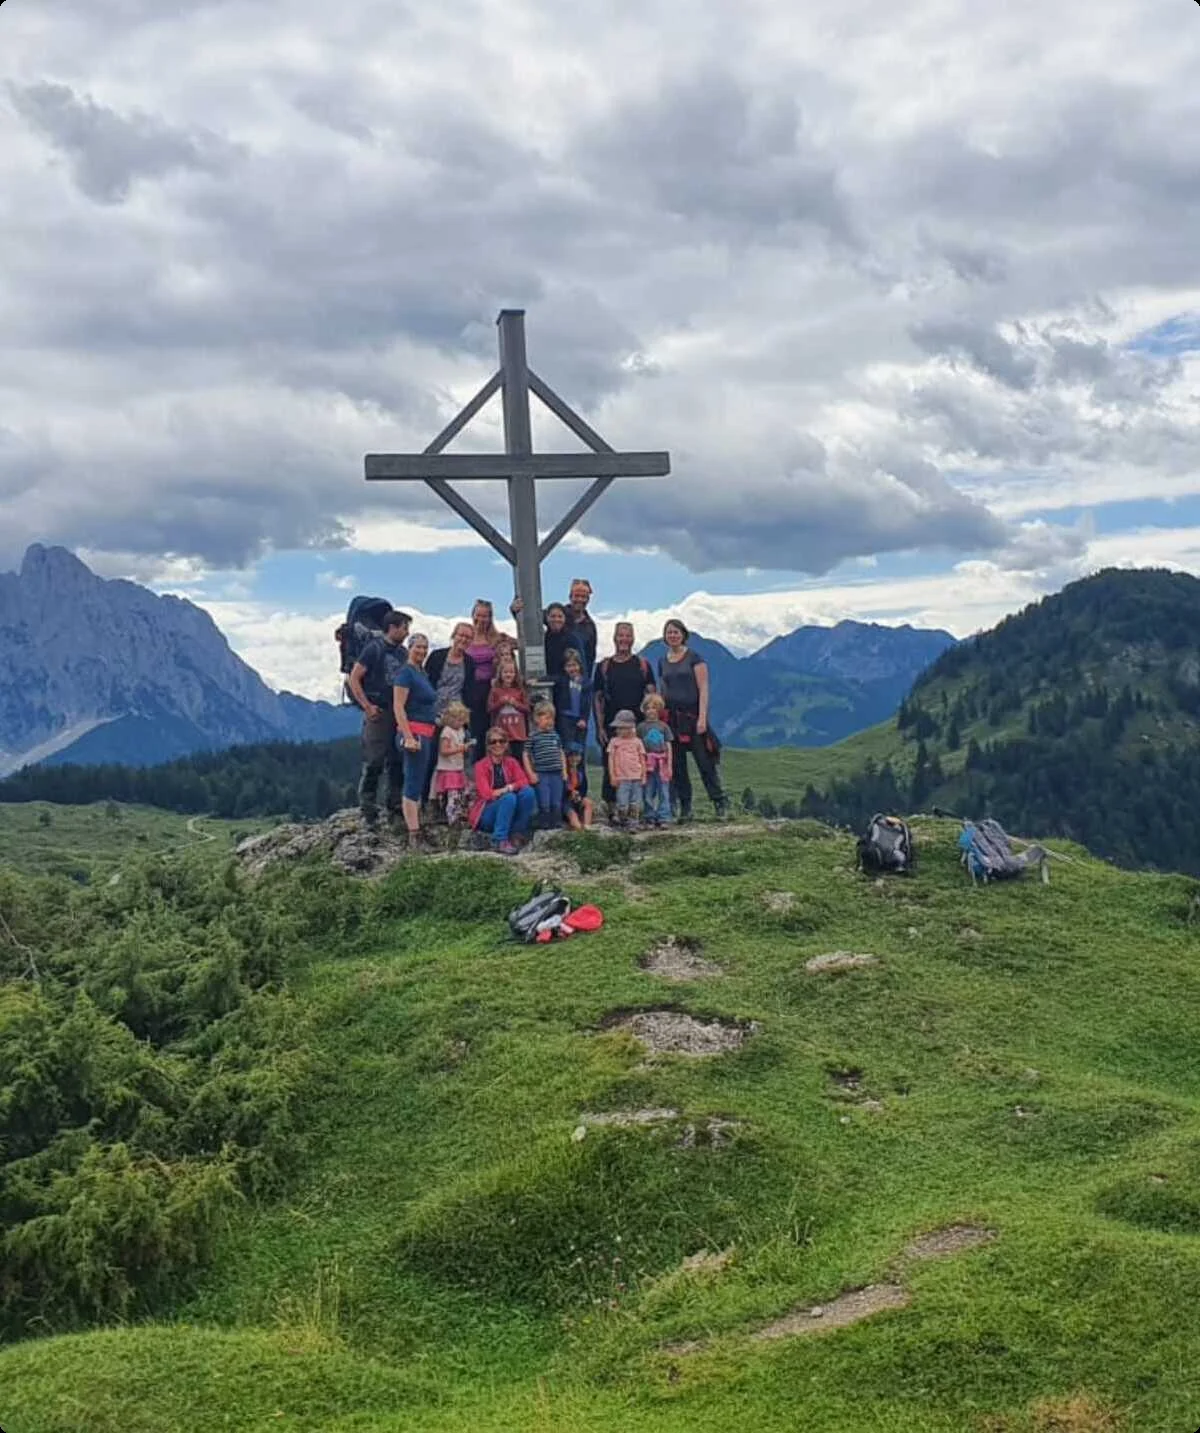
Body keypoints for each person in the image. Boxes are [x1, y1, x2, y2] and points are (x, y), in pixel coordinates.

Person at [658, 618, 728, 821]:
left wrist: (703, 718)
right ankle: (686, 807)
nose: (673, 636)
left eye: (676, 632)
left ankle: (719, 803)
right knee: (678, 766)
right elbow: (663, 689)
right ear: (665, 636)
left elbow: (704, 689)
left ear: (683, 634)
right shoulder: (662, 660)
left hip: (693, 716)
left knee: (705, 762)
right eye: (669, 632)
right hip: (672, 719)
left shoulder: (694, 658)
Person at [347, 608, 411, 828]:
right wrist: (366, 706)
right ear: (392, 628)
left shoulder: (403, 653)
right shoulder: (373, 649)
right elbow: (354, 678)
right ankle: (368, 810)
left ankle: (394, 806)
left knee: (397, 760)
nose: (407, 632)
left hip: (399, 711)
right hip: (379, 710)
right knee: (374, 761)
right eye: (404, 628)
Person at [594, 622, 655, 820]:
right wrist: (600, 726)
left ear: (633, 638)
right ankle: (613, 809)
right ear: (614, 638)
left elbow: (651, 696)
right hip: (612, 726)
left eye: (628, 636)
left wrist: (651, 723)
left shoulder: (642, 665)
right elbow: (598, 698)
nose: (624, 640)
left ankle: (639, 810)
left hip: (638, 727)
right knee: (611, 766)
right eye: (620, 635)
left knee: (638, 766)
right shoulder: (604, 666)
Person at [392, 634, 439, 848]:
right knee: (412, 782)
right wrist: (408, 736)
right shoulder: (405, 673)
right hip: (415, 733)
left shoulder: (421, 673)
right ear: (409, 648)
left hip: (427, 732)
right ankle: (414, 835)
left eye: (425, 647)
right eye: (418, 647)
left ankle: (417, 829)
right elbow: (398, 706)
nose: (422, 651)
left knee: (420, 781)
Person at [470, 727, 537, 855]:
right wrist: (506, 792)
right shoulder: (481, 766)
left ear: (507, 744)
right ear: (488, 746)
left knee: (528, 792)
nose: (498, 744)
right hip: (487, 813)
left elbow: (523, 781)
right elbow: (486, 794)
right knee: (509, 798)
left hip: (509, 808)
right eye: (493, 742)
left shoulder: (511, 762)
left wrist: (508, 788)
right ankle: (499, 840)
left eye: (502, 741)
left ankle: (517, 834)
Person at [465, 600, 506, 755]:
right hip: (471, 688)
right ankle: (476, 765)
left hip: (491, 687)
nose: (481, 620)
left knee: (493, 728)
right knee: (475, 730)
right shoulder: (467, 636)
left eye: (485, 616)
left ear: (490, 618)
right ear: (473, 615)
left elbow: (519, 643)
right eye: (478, 615)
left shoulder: (496, 637)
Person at [524, 701, 567, 828]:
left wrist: (564, 771)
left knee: (556, 800)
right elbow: (526, 754)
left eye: (552, 718)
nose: (550, 721)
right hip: (542, 774)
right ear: (537, 718)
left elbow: (561, 752)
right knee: (544, 800)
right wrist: (530, 773)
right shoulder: (533, 736)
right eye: (547, 718)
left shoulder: (555, 735)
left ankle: (557, 822)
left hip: (557, 773)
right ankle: (544, 823)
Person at [432, 701, 472, 826]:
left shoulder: (461, 730)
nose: (460, 723)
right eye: (457, 720)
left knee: (459, 794)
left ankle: (458, 816)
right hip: (448, 769)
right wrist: (461, 748)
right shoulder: (447, 731)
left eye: (462, 720)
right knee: (452, 796)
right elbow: (443, 750)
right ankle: (452, 818)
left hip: (458, 767)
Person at [488, 649, 531, 760]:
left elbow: (527, 709)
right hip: (502, 733)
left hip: (518, 734)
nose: (508, 675)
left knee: (519, 759)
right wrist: (500, 702)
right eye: (505, 672)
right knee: (503, 759)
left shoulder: (520, 690)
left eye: (511, 672)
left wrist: (515, 703)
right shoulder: (495, 690)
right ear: (500, 674)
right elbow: (489, 709)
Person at [638, 692, 674, 827]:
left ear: (659, 709)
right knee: (648, 790)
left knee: (663, 790)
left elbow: (668, 746)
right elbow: (639, 746)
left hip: (662, 762)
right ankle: (649, 816)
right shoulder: (641, 727)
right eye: (648, 708)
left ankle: (664, 816)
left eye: (654, 707)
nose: (650, 711)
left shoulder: (664, 727)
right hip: (647, 763)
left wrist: (669, 764)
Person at [606, 709, 647, 827]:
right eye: (617, 728)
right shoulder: (614, 742)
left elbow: (642, 759)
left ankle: (634, 822)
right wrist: (613, 775)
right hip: (622, 777)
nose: (618, 730)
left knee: (636, 801)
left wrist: (643, 775)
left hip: (636, 776)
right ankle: (622, 820)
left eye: (621, 727)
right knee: (622, 801)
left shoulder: (638, 742)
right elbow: (611, 759)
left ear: (630, 728)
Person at [553, 647, 593, 758]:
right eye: (569, 666)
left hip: (579, 719)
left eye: (574, 665)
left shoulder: (586, 683)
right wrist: (537, 680)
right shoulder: (563, 680)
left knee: (579, 749)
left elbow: (588, 702)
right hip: (565, 718)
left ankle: (578, 772)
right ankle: (568, 772)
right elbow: (551, 678)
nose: (572, 669)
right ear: (564, 668)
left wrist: (584, 718)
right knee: (567, 747)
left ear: (580, 665)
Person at [564, 578, 598, 673]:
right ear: (570, 597)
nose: (580, 600)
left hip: (577, 681)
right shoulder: (557, 616)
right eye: (577, 596)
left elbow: (590, 658)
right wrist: (518, 610)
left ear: (588, 599)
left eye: (583, 597)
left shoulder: (590, 626)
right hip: (555, 678)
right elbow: (534, 618)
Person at [543, 602, 585, 677]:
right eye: (553, 616)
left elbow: (581, 669)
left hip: (567, 685)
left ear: (564, 618)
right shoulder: (543, 639)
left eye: (560, 616)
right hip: (546, 684)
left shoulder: (572, 639)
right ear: (547, 618)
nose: (556, 619)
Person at [563, 746, 594, 830]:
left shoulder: (580, 772)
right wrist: (569, 794)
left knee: (588, 802)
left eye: (577, 756)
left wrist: (579, 795)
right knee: (573, 817)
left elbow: (584, 788)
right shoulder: (563, 771)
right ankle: (579, 829)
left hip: (577, 799)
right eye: (571, 756)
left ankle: (587, 826)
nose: (574, 759)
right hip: (565, 801)